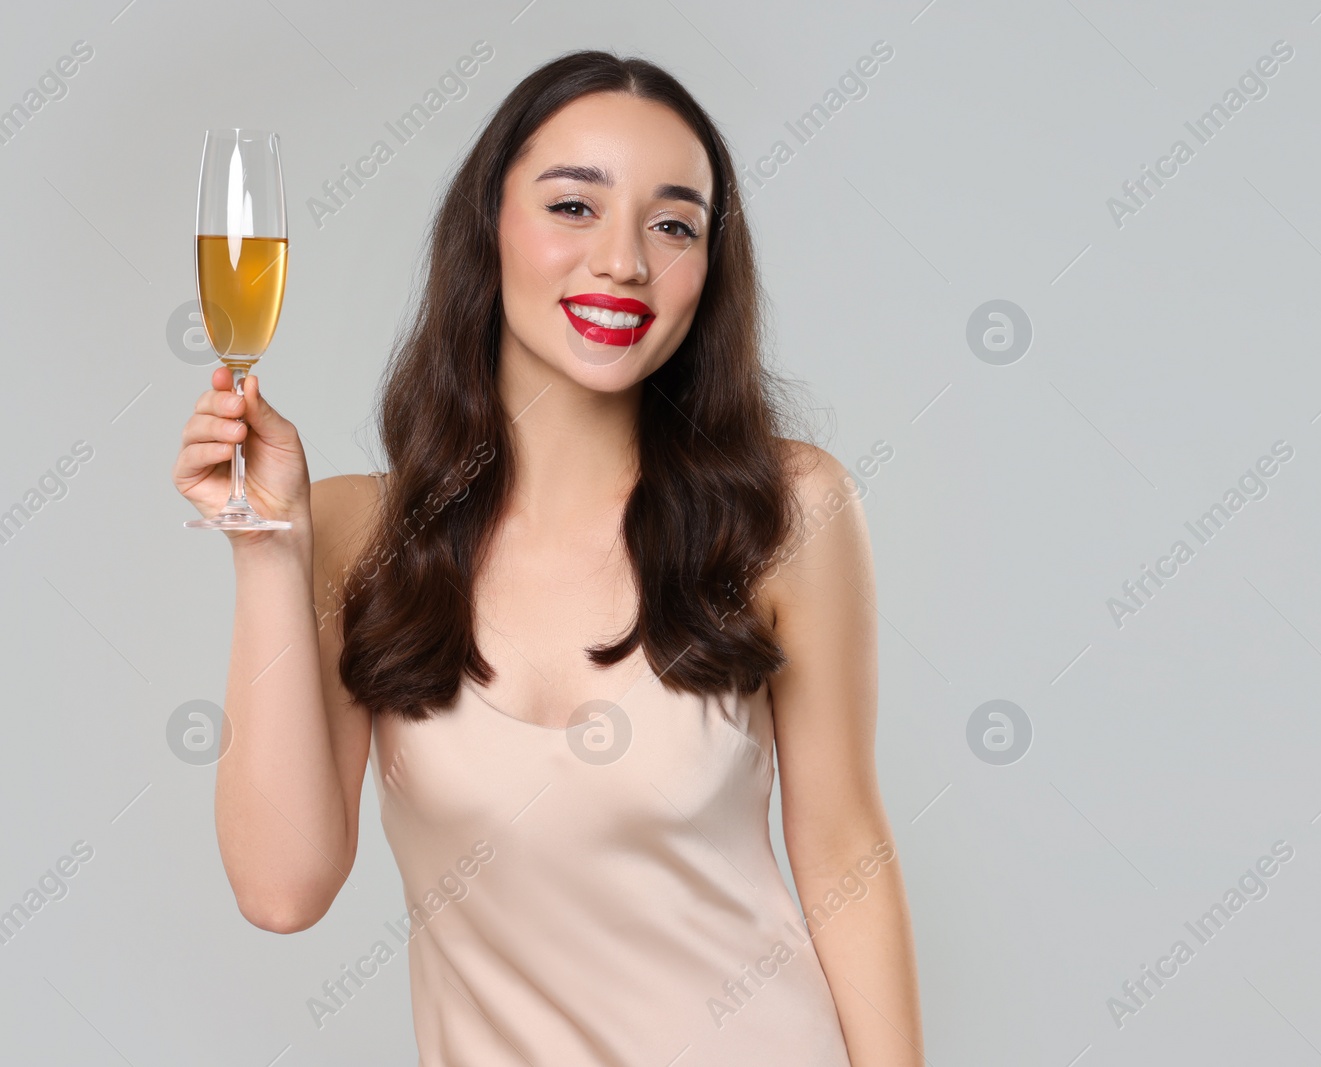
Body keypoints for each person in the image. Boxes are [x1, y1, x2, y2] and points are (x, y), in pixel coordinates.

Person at [172, 49, 922, 1066]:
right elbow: (282, 886)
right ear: (487, 228)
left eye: (673, 224)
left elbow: (845, 853)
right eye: (574, 206)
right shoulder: (358, 534)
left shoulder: (785, 510)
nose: (623, 261)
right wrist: (267, 548)